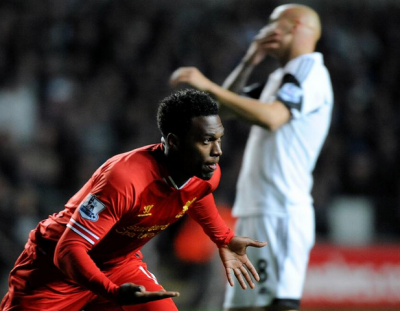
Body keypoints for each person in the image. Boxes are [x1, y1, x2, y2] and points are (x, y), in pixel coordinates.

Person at [0, 89, 267, 311]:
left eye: (219, 139)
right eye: (207, 141)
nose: (218, 151)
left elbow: (198, 195)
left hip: (119, 266)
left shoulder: (206, 172)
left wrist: (223, 237)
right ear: (173, 142)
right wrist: (112, 292)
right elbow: (68, 250)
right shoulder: (125, 179)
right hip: (54, 274)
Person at [169, 4, 333, 311]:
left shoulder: (309, 70)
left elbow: (273, 118)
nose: (265, 30)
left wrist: (206, 84)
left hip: (281, 210)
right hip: (256, 209)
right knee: (242, 307)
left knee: (277, 305)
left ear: (295, 26)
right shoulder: (279, 78)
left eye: (273, 23)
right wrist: (248, 61)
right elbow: (223, 110)